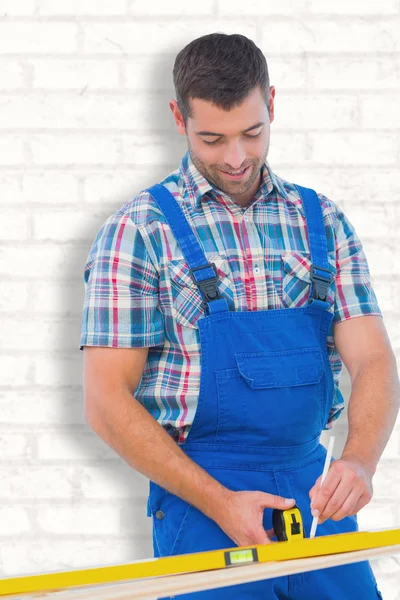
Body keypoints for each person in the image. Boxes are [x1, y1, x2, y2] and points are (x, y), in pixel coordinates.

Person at [79, 33, 399, 599]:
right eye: (212, 138)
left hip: (313, 497)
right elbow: (105, 401)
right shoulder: (138, 231)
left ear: (271, 104)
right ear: (179, 117)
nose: (235, 157)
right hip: (202, 498)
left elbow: (373, 358)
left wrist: (359, 462)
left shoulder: (320, 220)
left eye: (252, 133)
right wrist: (220, 503)